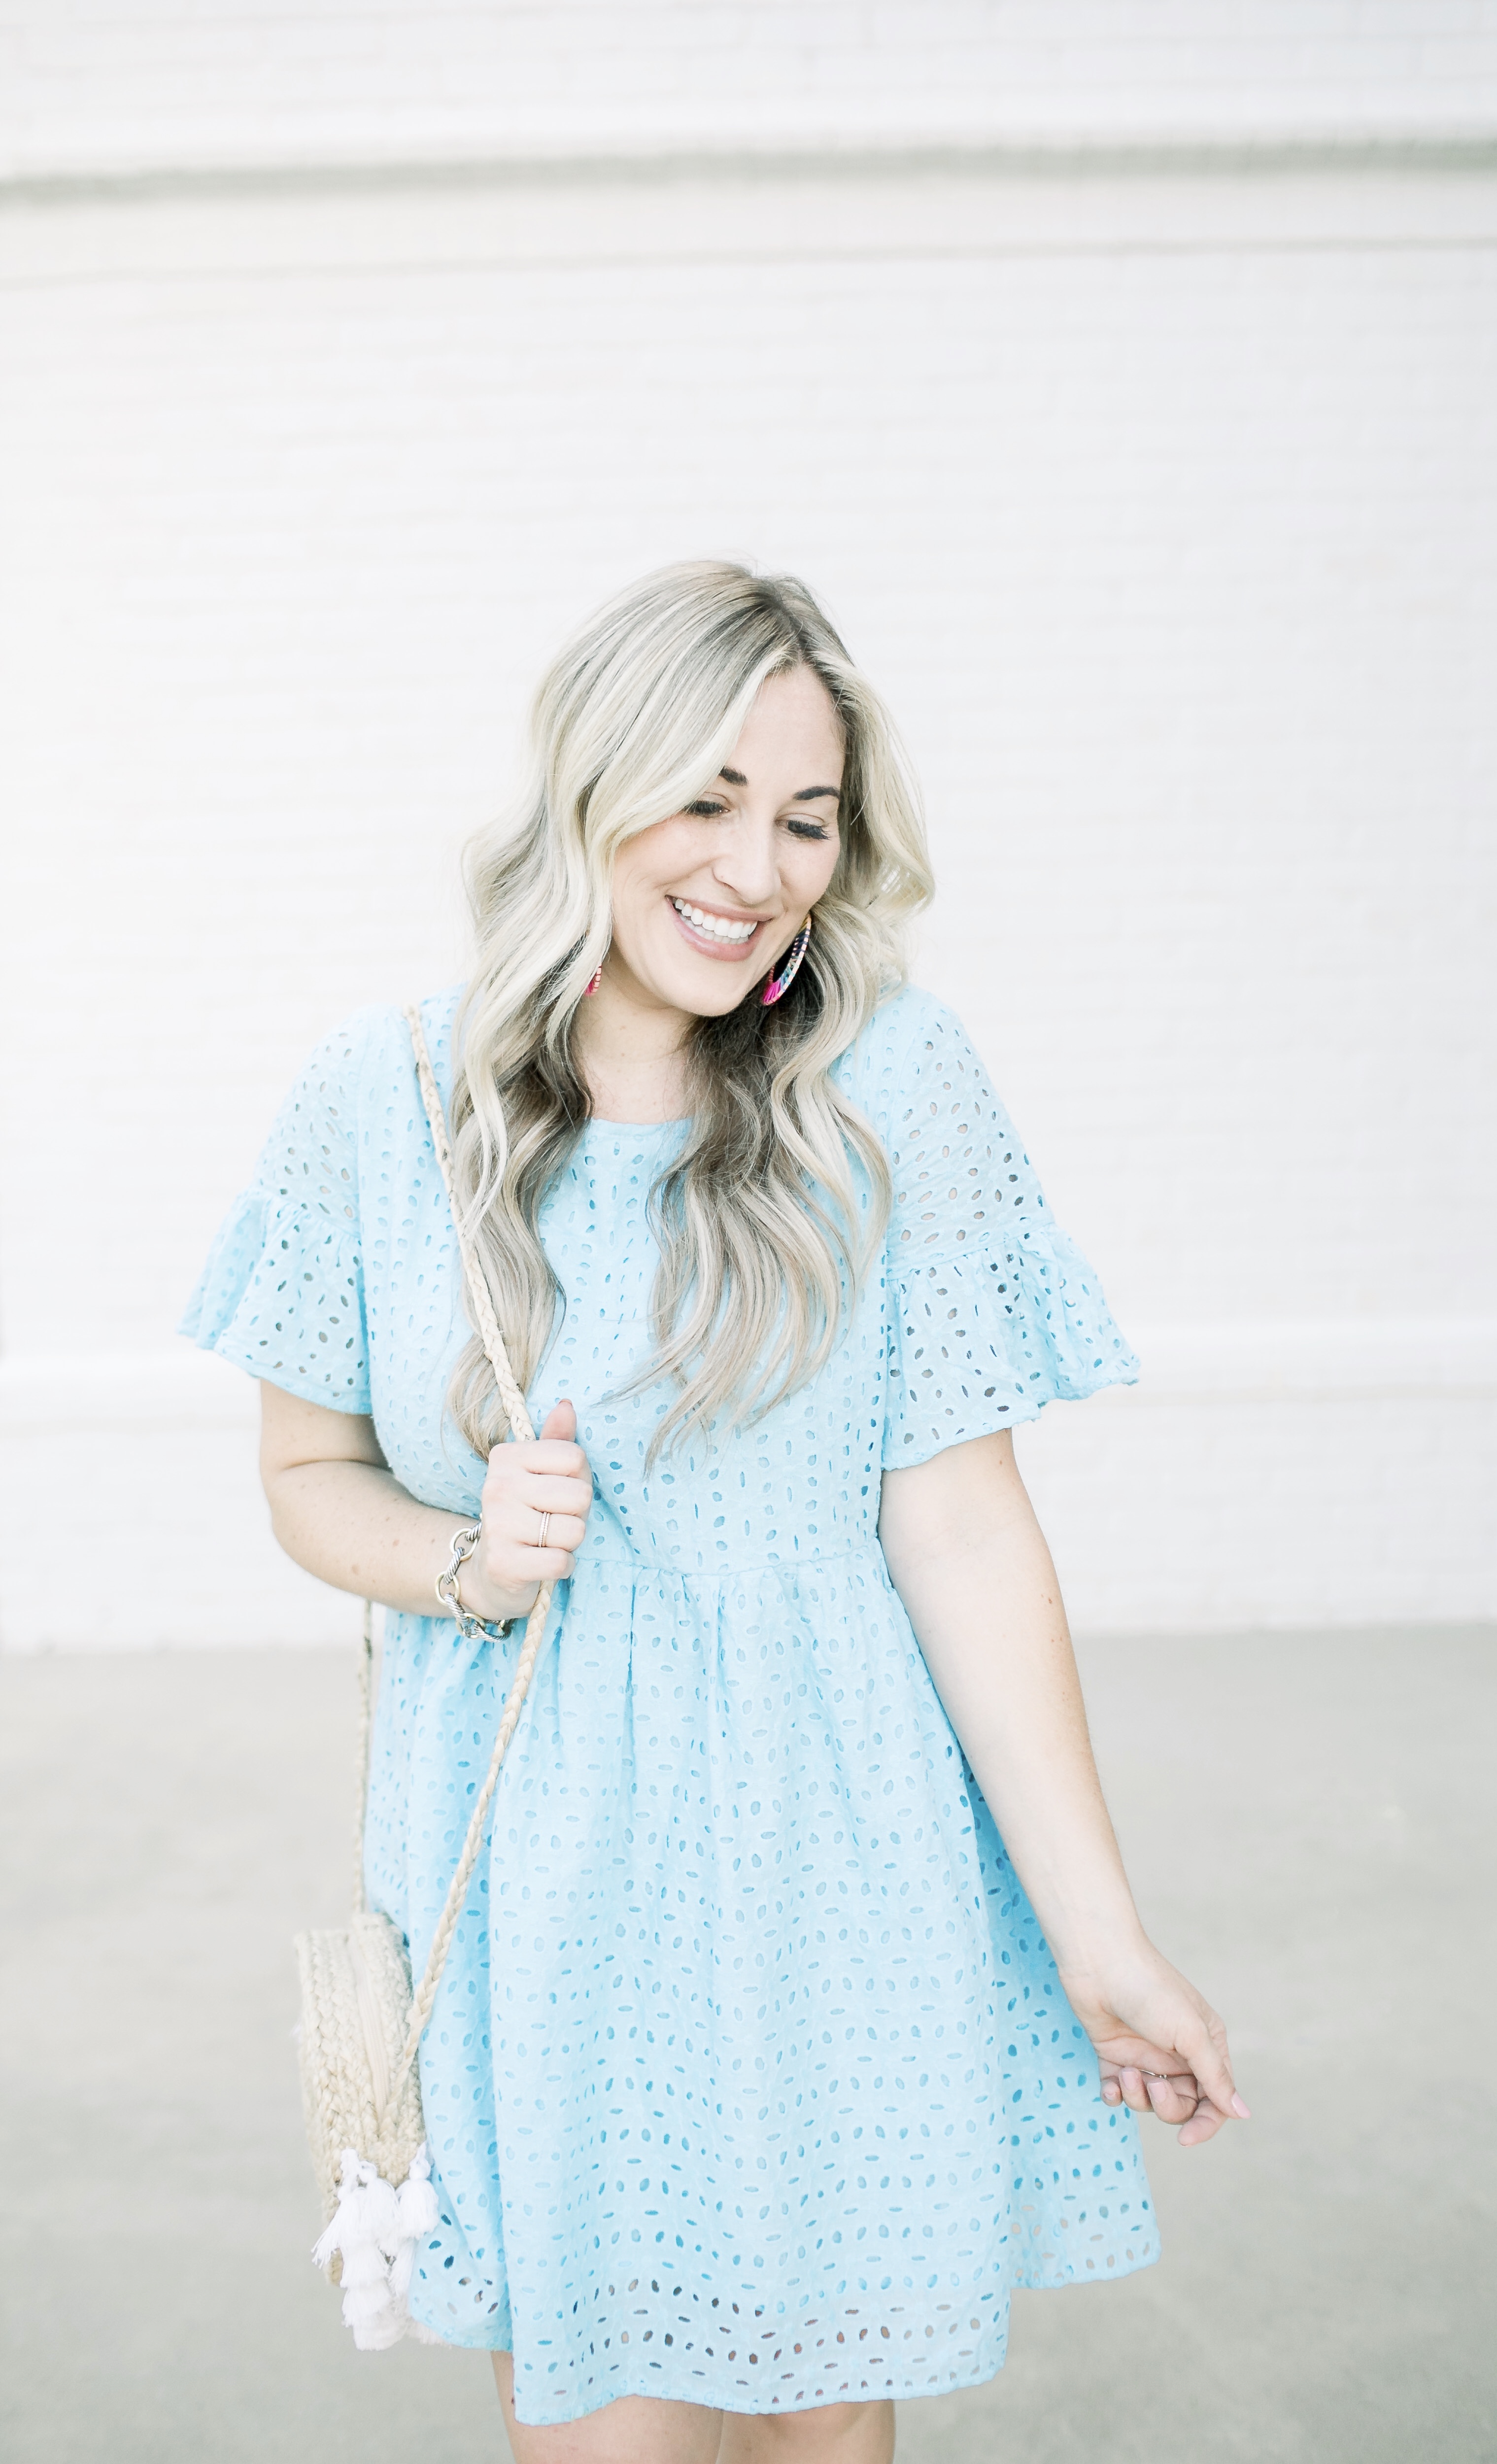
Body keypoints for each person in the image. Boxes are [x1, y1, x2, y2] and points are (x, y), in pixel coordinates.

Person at [184, 562, 1246, 2463]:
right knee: (606, 2434)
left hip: (834, 1850)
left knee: (822, 2439)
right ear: (590, 796)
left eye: (808, 819)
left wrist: (1105, 1937)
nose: (757, 867)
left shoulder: (890, 1085)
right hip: (541, 1880)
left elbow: (967, 1534)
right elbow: (301, 1477)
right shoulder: (382, 1101)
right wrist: (467, 1561)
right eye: (705, 799)